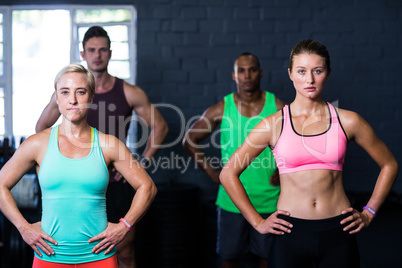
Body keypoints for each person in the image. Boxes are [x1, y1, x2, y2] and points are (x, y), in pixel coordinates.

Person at [219, 39, 399, 268]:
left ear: (328, 73)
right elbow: (228, 174)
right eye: (302, 71)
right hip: (290, 232)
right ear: (290, 74)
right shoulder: (273, 124)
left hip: (338, 230)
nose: (310, 79)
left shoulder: (348, 120)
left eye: (318, 71)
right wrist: (258, 222)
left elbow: (389, 164)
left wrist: (369, 212)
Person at [35, 26, 168, 268]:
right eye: (92, 50)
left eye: (103, 50)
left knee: (123, 250)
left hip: (115, 184)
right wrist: (48, 167)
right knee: (67, 248)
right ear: (83, 53)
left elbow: (160, 127)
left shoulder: (128, 91)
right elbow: (41, 127)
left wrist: (141, 162)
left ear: (110, 53)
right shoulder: (68, 94)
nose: (97, 55)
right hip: (75, 183)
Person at [0, 63, 157, 268]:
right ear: (57, 98)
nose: (72, 100)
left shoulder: (108, 144)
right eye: (65, 92)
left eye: (80, 92)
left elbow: (148, 187)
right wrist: (23, 228)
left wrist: (124, 226)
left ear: (91, 97)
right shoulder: (37, 143)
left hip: (100, 258)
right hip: (49, 257)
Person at [183, 52, 285, 267]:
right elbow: (190, 139)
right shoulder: (223, 107)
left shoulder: (277, 107)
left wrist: (285, 170)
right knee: (229, 260)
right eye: (242, 70)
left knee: (267, 260)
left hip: (269, 200)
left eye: (252, 70)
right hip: (232, 202)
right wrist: (213, 173)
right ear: (234, 75)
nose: (247, 75)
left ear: (261, 73)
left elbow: (301, 143)